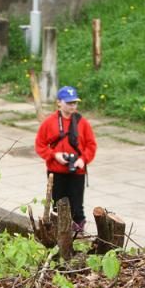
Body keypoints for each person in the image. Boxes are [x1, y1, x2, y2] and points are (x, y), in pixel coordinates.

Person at [35, 86, 97, 232]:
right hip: (56, 171)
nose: (72, 106)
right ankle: (59, 232)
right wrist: (54, 155)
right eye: (69, 103)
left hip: (77, 171)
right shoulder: (49, 122)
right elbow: (40, 144)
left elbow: (91, 145)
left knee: (77, 206)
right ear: (59, 103)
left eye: (74, 103)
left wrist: (83, 159)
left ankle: (78, 232)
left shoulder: (83, 123)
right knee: (57, 204)